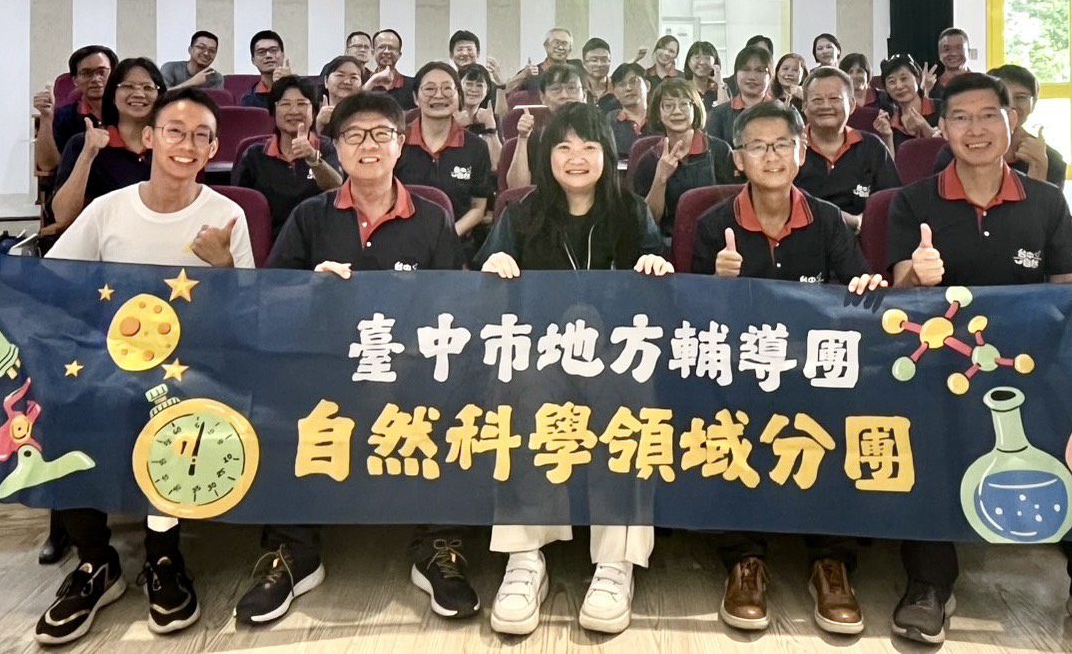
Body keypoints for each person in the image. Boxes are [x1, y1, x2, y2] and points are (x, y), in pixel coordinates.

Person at [0, 89, 255, 644]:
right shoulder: (109, 208)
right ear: (150, 138)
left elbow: (247, 310)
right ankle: (96, 561)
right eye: (175, 131)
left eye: (201, 136)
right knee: (59, 403)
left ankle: (164, 558)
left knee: (172, 412)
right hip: (102, 358)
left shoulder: (227, 214)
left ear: (213, 148)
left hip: (190, 363)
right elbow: (47, 281)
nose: (186, 144)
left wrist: (225, 265)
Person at [887, 73, 1072, 654]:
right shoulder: (912, 201)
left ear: (1011, 121)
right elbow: (897, 291)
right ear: (942, 129)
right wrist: (916, 274)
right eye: (960, 117)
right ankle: (929, 582)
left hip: (1027, 364)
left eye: (988, 115)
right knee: (920, 421)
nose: (975, 129)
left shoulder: (1046, 202)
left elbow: (1066, 288)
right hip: (944, 365)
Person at [238, 92, 475, 625]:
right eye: (353, 135)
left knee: (455, 393)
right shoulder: (310, 216)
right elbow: (272, 298)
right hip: (324, 363)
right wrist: (311, 289)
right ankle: (293, 551)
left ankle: (439, 546)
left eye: (380, 134)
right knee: (280, 396)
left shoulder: (432, 218)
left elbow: (454, 305)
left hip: (411, 364)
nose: (368, 145)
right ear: (337, 148)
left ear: (400, 145)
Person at [691, 101, 887, 636]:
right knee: (724, 413)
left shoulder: (826, 219)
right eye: (757, 146)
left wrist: (869, 285)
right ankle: (745, 558)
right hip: (739, 365)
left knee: (846, 405)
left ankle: (831, 560)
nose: (771, 156)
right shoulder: (713, 224)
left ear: (802, 153)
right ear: (738, 159)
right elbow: (688, 319)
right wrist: (717, 284)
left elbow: (857, 292)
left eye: (782, 145)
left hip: (811, 365)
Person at [477, 102, 671, 636]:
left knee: (629, 395)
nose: (576, 157)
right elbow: (485, 281)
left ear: (607, 154)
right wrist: (495, 266)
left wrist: (655, 266)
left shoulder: (631, 211)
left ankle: (616, 561)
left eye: (588, 146)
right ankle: (525, 558)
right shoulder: (521, 213)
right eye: (563, 146)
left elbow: (659, 286)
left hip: (614, 352)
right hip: (540, 350)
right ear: (546, 156)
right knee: (520, 388)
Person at [395, 61, 495, 258]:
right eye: (429, 89)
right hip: (401, 242)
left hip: (456, 243)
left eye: (447, 88)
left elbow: (478, 206)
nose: (439, 95)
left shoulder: (476, 147)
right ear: (415, 98)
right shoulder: (396, 143)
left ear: (459, 96)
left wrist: (447, 236)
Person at [51, 57, 164, 227]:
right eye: (128, 86)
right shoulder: (83, 143)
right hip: (102, 237)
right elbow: (63, 216)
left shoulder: (170, 146)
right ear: (112, 95)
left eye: (148, 87)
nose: (139, 94)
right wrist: (88, 155)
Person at [231, 76, 343, 234]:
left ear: (314, 111)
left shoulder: (328, 148)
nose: (294, 111)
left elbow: (336, 185)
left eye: (301, 104)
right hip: (268, 238)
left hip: (317, 236)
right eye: (285, 104)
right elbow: (238, 206)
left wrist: (313, 158)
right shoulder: (254, 155)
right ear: (273, 110)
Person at [794, 66, 900, 231]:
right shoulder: (790, 148)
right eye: (817, 100)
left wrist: (861, 222)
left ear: (851, 105)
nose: (826, 106)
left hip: (862, 236)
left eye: (834, 98)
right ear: (804, 106)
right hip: (803, 236)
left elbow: (892, 202)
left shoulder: (872, 147)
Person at [632, 78, 737, 239]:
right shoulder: (649, 159)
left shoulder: (719, 150)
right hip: (667, 242)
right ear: (658, 113)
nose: (677, 111)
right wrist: (660, 178)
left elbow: (733, 206)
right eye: (668, 105)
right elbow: (649, 222)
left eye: (684, 104)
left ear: (695, 109)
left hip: (714, 238)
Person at [933, 64, 1067, 189]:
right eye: (1005, 98)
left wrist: (1039, 169)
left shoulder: (1051, 159)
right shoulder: (956, 151)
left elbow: (1049, 205)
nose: (1012, 105)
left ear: (1034, 103)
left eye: (1021, 97)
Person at [34, 45, 117, 173]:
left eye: (102, 72)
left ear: (115, 75)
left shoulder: (128, 114)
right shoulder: (64, 117)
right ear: (75, 80)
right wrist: (46, 117)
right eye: (86, 73)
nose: (95, 79)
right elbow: (47, 165)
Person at [505, 63, 588, 190]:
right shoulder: (535, 138)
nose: (564, 95)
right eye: (556, 89)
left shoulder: (598, 134)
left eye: (571, 88)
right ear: (542, 97)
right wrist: (523, 138)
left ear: (584, 95)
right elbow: (517, 190)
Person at [707, 44, 773, 147]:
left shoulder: (783, 113)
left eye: (760, 70)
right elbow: (715, 153)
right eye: (746, 69)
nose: (752, 77)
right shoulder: (719, 114)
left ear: (770, 76)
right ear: (736, 74)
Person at [877, 53, 940, 153]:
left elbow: (951, 153)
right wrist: (887, 136)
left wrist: (926, 128)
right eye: (892, 82)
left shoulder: (942, 108)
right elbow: (891, 162)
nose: (899, 86)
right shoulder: (888, 120)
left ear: (918, 79)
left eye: (904, 79)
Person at [456, 63, 503, 166]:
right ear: (458, 87)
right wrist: (456, 127)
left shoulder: (491, 118)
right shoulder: (448, 116)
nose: (473, 90)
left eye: (479, 85)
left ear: (487, 90)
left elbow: (497, 165)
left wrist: (490, 128)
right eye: (468, 84)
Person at [605, 62, 650, 159]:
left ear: (647, 85)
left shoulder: (661, 117)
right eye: (622, 84)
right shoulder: (610, 121)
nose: (628, 88)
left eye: (634, 81)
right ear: (615, 92)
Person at [363, 28, 414, 109]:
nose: (386, 51)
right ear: (373, 52)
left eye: (391, 48)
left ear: (399, 54)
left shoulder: (412, 85)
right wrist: (373, 81)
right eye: (381, 47)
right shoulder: (363, 82)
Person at [315, 55, 366, 135]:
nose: (347, 82)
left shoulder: (369, 114)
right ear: (326, 81)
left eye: (353, 77)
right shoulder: (311, 112)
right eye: (340, 75)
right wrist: (319, 124)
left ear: (362, 85)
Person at [241, 30, 292, 109]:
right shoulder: (248, 100)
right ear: (253, 60)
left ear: (283, 55)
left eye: (273, 50)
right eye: (261, 52)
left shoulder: (303, 91)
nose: (268, 55)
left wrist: (288, 83)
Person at [682, 40, 725, 110]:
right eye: (697, 57)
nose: (702, 62)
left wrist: (719, 83)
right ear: (688, 62)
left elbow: (726, 111)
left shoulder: (721, 89)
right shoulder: (683, 90)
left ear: (715, 62)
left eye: (707, 58)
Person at [929, 27, 971, 96]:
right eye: (947, 49)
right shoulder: (931, 86)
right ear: (939, 53)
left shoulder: (982, 83)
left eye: (959, 48)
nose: (953, 53)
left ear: (968, 51)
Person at [580, 37, 616, 111]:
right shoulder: (578, 88)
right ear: (584, 63)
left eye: (604, 60)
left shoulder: (617, 88)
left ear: (610, 62)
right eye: (594, 60)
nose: (599, 64)